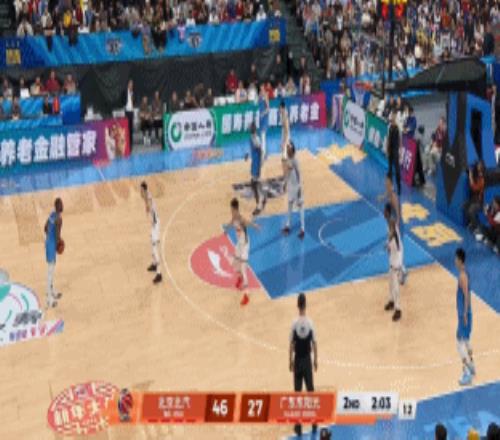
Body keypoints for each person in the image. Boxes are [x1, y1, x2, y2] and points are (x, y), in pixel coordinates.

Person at [289, 293, 318, 437]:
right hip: (307, 361)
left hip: (298, 360)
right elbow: (315, 344)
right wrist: (315, 360)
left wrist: (290, 361)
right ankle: (314, 423)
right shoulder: (310, 323)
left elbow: (291, 344)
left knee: (298, 394)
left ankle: (298, 426)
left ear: (297, 305)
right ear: (305, 305)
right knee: (311, 391)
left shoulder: (294, 324)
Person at [225, 198, 260, 306]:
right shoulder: (234, 218)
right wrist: (226, 229)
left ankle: (247, 295)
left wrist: (256, 226)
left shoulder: (241, 219)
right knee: (235, 264)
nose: (230, 211)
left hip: (245, 245)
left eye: (231, 209)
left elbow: (248, 222)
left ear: (234, 209)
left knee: (244, 269)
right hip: (239, 245)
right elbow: (231, 223)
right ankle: (239, 278)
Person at [381, 176, 408, 283]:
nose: (385, 185)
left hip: (397, 225)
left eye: (387, 183)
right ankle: (400, 270)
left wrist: (396, 226)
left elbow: (398, 212)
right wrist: (381, 197)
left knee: (397, 249)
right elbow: (386, 195)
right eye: (385, 183)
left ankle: (402, 271)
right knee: (392, 249)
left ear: (391, 185)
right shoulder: (390, 193)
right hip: (392, 225)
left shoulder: (393, 196)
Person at [455, 248, 475, 386]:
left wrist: (465, 314)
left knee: (459, 344)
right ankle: (472, 365)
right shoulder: (464, 273)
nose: (454, 261)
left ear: (460, 260)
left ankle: (467, 373)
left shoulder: (462, 276)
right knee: (466, 340)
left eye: (456, 259)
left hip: (464, 315)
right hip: (464, 314)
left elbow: (466, 295)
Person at [140, 182, 162, 284]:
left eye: (141, 190)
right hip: (154, 225)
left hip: (156, 225)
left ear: (143, 190)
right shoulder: (147, 195)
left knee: (155, 248)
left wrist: (146, 204)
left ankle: (159, 273)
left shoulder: (148, 198)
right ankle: (154, 264)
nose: (140, 192)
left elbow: (148, 207)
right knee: (152, 245)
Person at [282, 142, 305, 239]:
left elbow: (299, 173)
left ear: (292, 151)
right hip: (290, 186)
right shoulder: (287, 160)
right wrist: (285, 183)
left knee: (300, 207)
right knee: (289, 206)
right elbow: (287, 173)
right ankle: (288, 225)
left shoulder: (295, 160)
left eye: (289, 149)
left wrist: (299, 187)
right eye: (287, 149)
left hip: (296, 186)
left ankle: (302, 229)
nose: (287, 150)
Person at [44, 198, 64, 308]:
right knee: (50, 272)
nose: (62, 205)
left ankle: (52, 292)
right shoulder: (59, 219)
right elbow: (57, 236)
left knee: (51, 271)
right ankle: (49, 300)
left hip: (48, 243)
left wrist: (49, 239)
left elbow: (45, 228)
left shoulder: (52, 215)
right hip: (51, 246)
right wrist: (60, 242)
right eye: (61, 204)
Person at [384, 217, 402, 321]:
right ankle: (391, 302)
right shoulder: (392, 236)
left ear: (393, 229)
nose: (389, 231)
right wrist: (387, 244)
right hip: (391, 266)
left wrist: (387, 246)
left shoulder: (395, 240)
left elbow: (391, 249)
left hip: (395, 268)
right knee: (390, 286)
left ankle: (398, 310)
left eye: (390, 229)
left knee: (396, 289)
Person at [248, 122, 267, 216]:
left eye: (250, 127)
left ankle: (259, 206)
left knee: (255, 184)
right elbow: (255, 150)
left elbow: (261, 150)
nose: (249, 128)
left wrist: (261, 162)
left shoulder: (255, 138)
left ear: (252, 129)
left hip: (256, 164)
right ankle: (263, 199)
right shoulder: (252, 137)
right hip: (254, 163)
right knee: (254, 183)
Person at [464, 162, 485, 237]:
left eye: (480, 166)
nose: (478, 166)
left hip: (480, 202)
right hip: (474, 199)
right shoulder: (475, 172)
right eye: (478, 165)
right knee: (465, 206)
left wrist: (470, 176)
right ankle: (472, 223)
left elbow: (474, 188)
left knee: (471, 210)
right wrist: (470, 171)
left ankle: (477, 227)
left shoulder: (482, 179)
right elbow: (468, 169)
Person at [386, 112, 402, 195]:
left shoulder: (397, 128)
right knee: (389, 170)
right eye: (392, 117)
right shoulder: (390, 127)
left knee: (397, 170)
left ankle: (399, 187)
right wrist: (387, 150)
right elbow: (388, 139)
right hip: (390, 150)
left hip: (395, 150)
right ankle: (391, 186)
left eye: (394, 117)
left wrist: (400, 151)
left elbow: (400, 140)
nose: (392, 119)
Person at [280, 101, 290, 185]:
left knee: (284, 158)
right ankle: (286, 174)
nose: (279, 109)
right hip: (284, 135)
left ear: (282, 107)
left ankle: (286, 176)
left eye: (280, 108)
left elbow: (287, 131)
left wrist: (284, 142)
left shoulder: (285, 117)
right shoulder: (283, 114)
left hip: (285, 137)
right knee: (284, 158)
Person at [258, 84, 269, 158]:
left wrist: (263, 113)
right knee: (261, 135)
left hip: (264, 117)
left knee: (263, 135)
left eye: (262, 88)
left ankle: (264, 153)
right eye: (260, 88)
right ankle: (263, 152)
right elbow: (258, 104)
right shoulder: (259, 95)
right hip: (260, 118)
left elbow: (268, 108)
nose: (261, 89)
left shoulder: (265, 95)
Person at [124, 80, 135, 149]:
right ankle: (127, 142)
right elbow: (122, 100)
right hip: (127, 111)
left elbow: (134, 101)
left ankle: (131, 143)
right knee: (127, 127)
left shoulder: (132, 92)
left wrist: (132, 95)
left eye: (132, 84)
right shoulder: (125, 92)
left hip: (131, 111)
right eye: (130, 84)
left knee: (131, 128)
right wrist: (124, 105)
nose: (131, 85)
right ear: (128, 85)